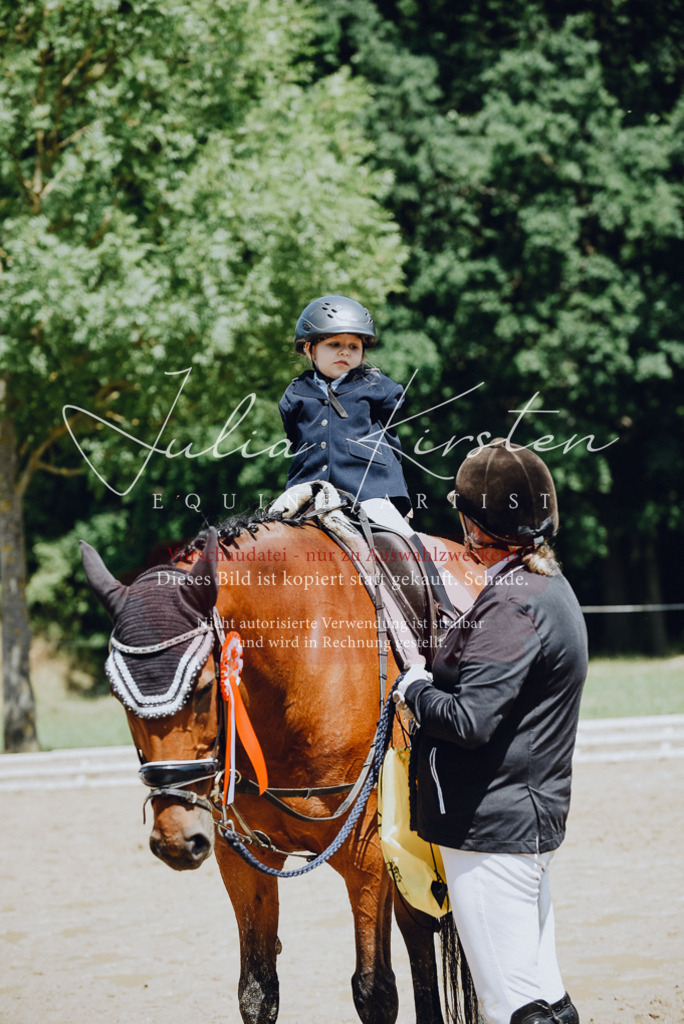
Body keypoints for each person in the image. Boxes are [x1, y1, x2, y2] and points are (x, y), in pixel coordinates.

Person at [395, 439, 587, 1024]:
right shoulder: (548, 586)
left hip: (489, 828)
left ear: (470, 523)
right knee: (545, 992)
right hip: (523, 819)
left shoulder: (511, 604)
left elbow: (470, 721)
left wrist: (414, 689)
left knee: (509, 1003)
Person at [278, 294, 412, 533]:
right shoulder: (295, 393)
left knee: (400, 539)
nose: (345, 352)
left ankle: (431, 570)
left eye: (353, 346)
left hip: (368, 490)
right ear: (310, 349)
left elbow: (391, 444)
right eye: (334, 344)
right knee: (271, 525)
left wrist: (399, 496)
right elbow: (294, 439)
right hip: (306, 487)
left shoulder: (378, 387)